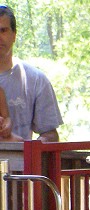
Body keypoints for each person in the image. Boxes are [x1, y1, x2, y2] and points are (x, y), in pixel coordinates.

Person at [0, 6, 62, 141]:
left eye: (3, 30)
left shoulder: (36, 80)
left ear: (14, 35)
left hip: (18, 160)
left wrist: (29, 149)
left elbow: (50, 135)